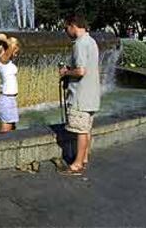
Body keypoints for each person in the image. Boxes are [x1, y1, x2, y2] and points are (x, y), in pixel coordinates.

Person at [59, 14, 101, 175]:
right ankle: (83, 158)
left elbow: (81, 71)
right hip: (91, 94)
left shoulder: (80, 44)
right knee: (86, 128)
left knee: (80, 130)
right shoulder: (91, 41)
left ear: (73, 25)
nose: (66, 31)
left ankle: (76, 165)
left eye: (66, 28)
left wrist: (66, 72)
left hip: (80, 96)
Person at [0, 33, 20, 133]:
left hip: (11, 99)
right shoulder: (2, 61)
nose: (16, 54)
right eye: (15, 51)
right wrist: (8, 42)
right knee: (6, 131)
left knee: (12, 128)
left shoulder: (8, 62)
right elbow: (0, 37)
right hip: (6, 100)